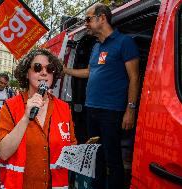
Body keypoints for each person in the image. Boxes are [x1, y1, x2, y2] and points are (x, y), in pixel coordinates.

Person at [63, 3, 140, 189]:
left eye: (88, 19)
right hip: (92, 110)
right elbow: (91, 72)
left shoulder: (124, 42)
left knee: (112, 160)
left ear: (102, 18)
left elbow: (134, 77)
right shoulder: (96, 47)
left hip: (111, 112)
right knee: (96, 157)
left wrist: (130, 109)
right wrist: (66, 70)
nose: (86, 23)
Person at [0, 48, 77, 188]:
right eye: (37, 67)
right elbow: (3, 153)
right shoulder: (11, 106)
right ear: (26, 73)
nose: (44, 72)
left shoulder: (64, 108)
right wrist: (26, 118)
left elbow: (70, 149)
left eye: (50, 68)